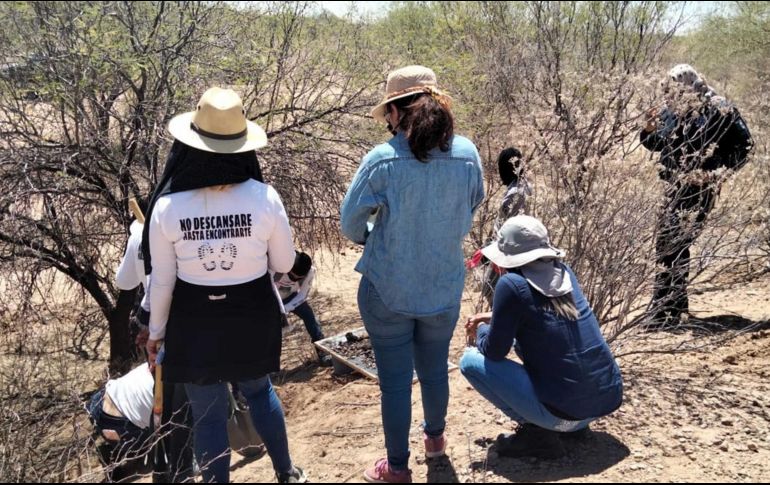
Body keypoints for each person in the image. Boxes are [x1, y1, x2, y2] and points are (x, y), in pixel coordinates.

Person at [143, 87, 306, 483]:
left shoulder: (167, 207)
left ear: (189, 146)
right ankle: (286, 473)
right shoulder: (265, 197)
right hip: (252, 312)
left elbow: (162, 280)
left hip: (194, 319)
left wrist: (156, 333)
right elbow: (285, 264)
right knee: (260, 392)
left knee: (208, 414)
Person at [341, 65, 485, 483]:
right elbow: (474, 201)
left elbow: (350, 224)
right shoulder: (467, 154)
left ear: (394, 112)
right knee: (435, 369)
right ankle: (435, 442)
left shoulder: (382, 159)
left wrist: (378, 236)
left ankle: (397, 467)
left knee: (395, 384)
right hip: (443, 285)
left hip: (388, 289)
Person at [461, 215, 623, 460]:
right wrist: (492, 317)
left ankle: (538, 435)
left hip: (564, 417)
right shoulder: (564, 273)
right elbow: (540, 313)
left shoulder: (511, 284)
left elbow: (494, 350)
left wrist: (482, 330)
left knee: (469, 361)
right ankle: (573, 428)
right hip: (601, 404)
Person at [641, 64, 753, 327]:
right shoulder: (671, 110)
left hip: (700, 189)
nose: (668, 94)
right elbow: (656, 144)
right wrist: (648, 129)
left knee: (675, 243)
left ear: (688, 86)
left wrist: (715, 173)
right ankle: (671, 309)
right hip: (672, 187)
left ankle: (665, 312)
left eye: (673, 88)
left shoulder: (719, 108)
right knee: (668, 245)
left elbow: (745, 146)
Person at [87, 363, 154, 481]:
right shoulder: (178, 384)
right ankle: (115, 452)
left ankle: (116, 446)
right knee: (155, 437)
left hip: (98, 401)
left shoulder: (157, 357)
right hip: (118, 423)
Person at [273, 252, 333, 367]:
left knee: (309, 316)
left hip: (291, 297)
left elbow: (303, 295)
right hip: (271, 299)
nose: (294, 279)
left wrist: (286, 308)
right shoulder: (277, 266)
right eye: (292, 276)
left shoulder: (310, 272)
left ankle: (322, 351)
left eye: (298, 278)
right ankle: (269, 364)